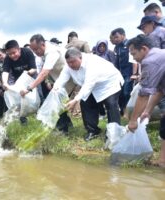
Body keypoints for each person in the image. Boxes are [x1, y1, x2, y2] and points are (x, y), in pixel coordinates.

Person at [54, 48, 124, 141]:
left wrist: (75, 100)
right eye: (68, 63)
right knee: (86, 104)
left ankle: (113, 133)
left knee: (111, 105)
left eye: (73, 62)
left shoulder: (92, 63)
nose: (71, 65)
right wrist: (55, 89)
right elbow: (62, 79)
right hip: (91, 86)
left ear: (80, 57)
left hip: (109, 83)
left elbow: (88, 84)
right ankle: (93, 131)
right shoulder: (69, 66)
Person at [20, 34, 73, 132]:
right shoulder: (44, 52)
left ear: (43, 44)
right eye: (33, 50)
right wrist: (49, 81)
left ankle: (62, 130)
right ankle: (68, 124)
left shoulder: (51, 51)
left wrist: (29, 88)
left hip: (69, 79)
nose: (35, 52)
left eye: (36, 49)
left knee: (56, 103)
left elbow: (44, 73)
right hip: (60, 80)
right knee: (59, 103)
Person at [127, 34, 165, 167]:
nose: (133, 58)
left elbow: (143, 95)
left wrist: (132, 121)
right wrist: (147, 111)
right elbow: (160, 90)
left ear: (143, 49)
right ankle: (162, 161)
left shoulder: (150, 61)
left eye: (134, 54)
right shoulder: (159, 55)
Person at [2, 39, 37, 124]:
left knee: (38, 97)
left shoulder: (27, 52)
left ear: (19, 49)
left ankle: (40, 120)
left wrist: (28, 73)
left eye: (14, 53)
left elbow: (34, 69)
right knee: (20, 101)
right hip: (19, 81)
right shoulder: (7, 58)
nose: (12, 56)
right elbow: (5, 72)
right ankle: (24, 123)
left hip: (32, 78)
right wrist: (5, 83)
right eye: (9, 54)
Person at [111, 28, 138, 115]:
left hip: (129, 74)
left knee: (127, 92)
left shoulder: (130, 44)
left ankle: (128, 111)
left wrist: (134, 74)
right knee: (120, 93)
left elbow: (134, 61)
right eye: (114, 38)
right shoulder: (117, 47)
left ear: (123, 35)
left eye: (117, 37)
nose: (115, 39)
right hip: (120, 74)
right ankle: (122, 111)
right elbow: (117, 61)